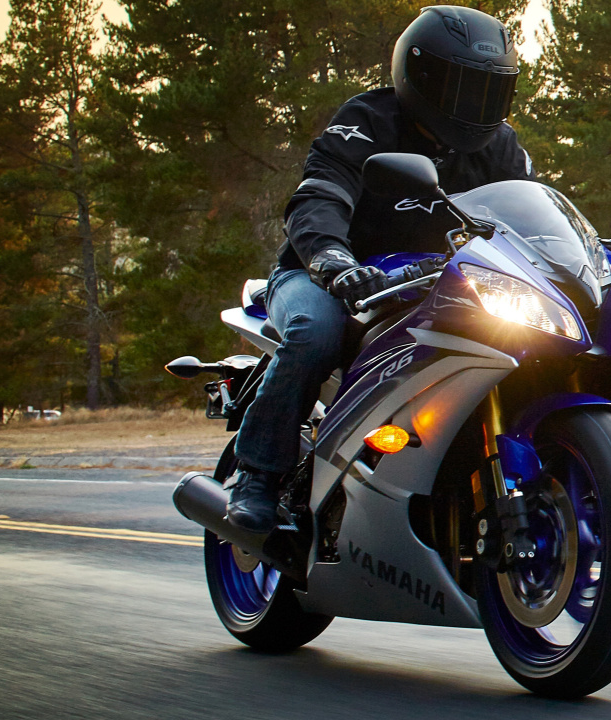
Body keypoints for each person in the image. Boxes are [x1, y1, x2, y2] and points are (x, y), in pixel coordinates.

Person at [226, 6, 536, 533]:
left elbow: (531, 212)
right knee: (314, 334)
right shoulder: (366, 122)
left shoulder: (500, 145)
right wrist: (332, 259)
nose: (475, 104)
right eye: (462, 87)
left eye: (488, 89)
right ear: (419, 75)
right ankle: (257, 475)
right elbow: (319, 197)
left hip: (432, 279)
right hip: (327, 274)